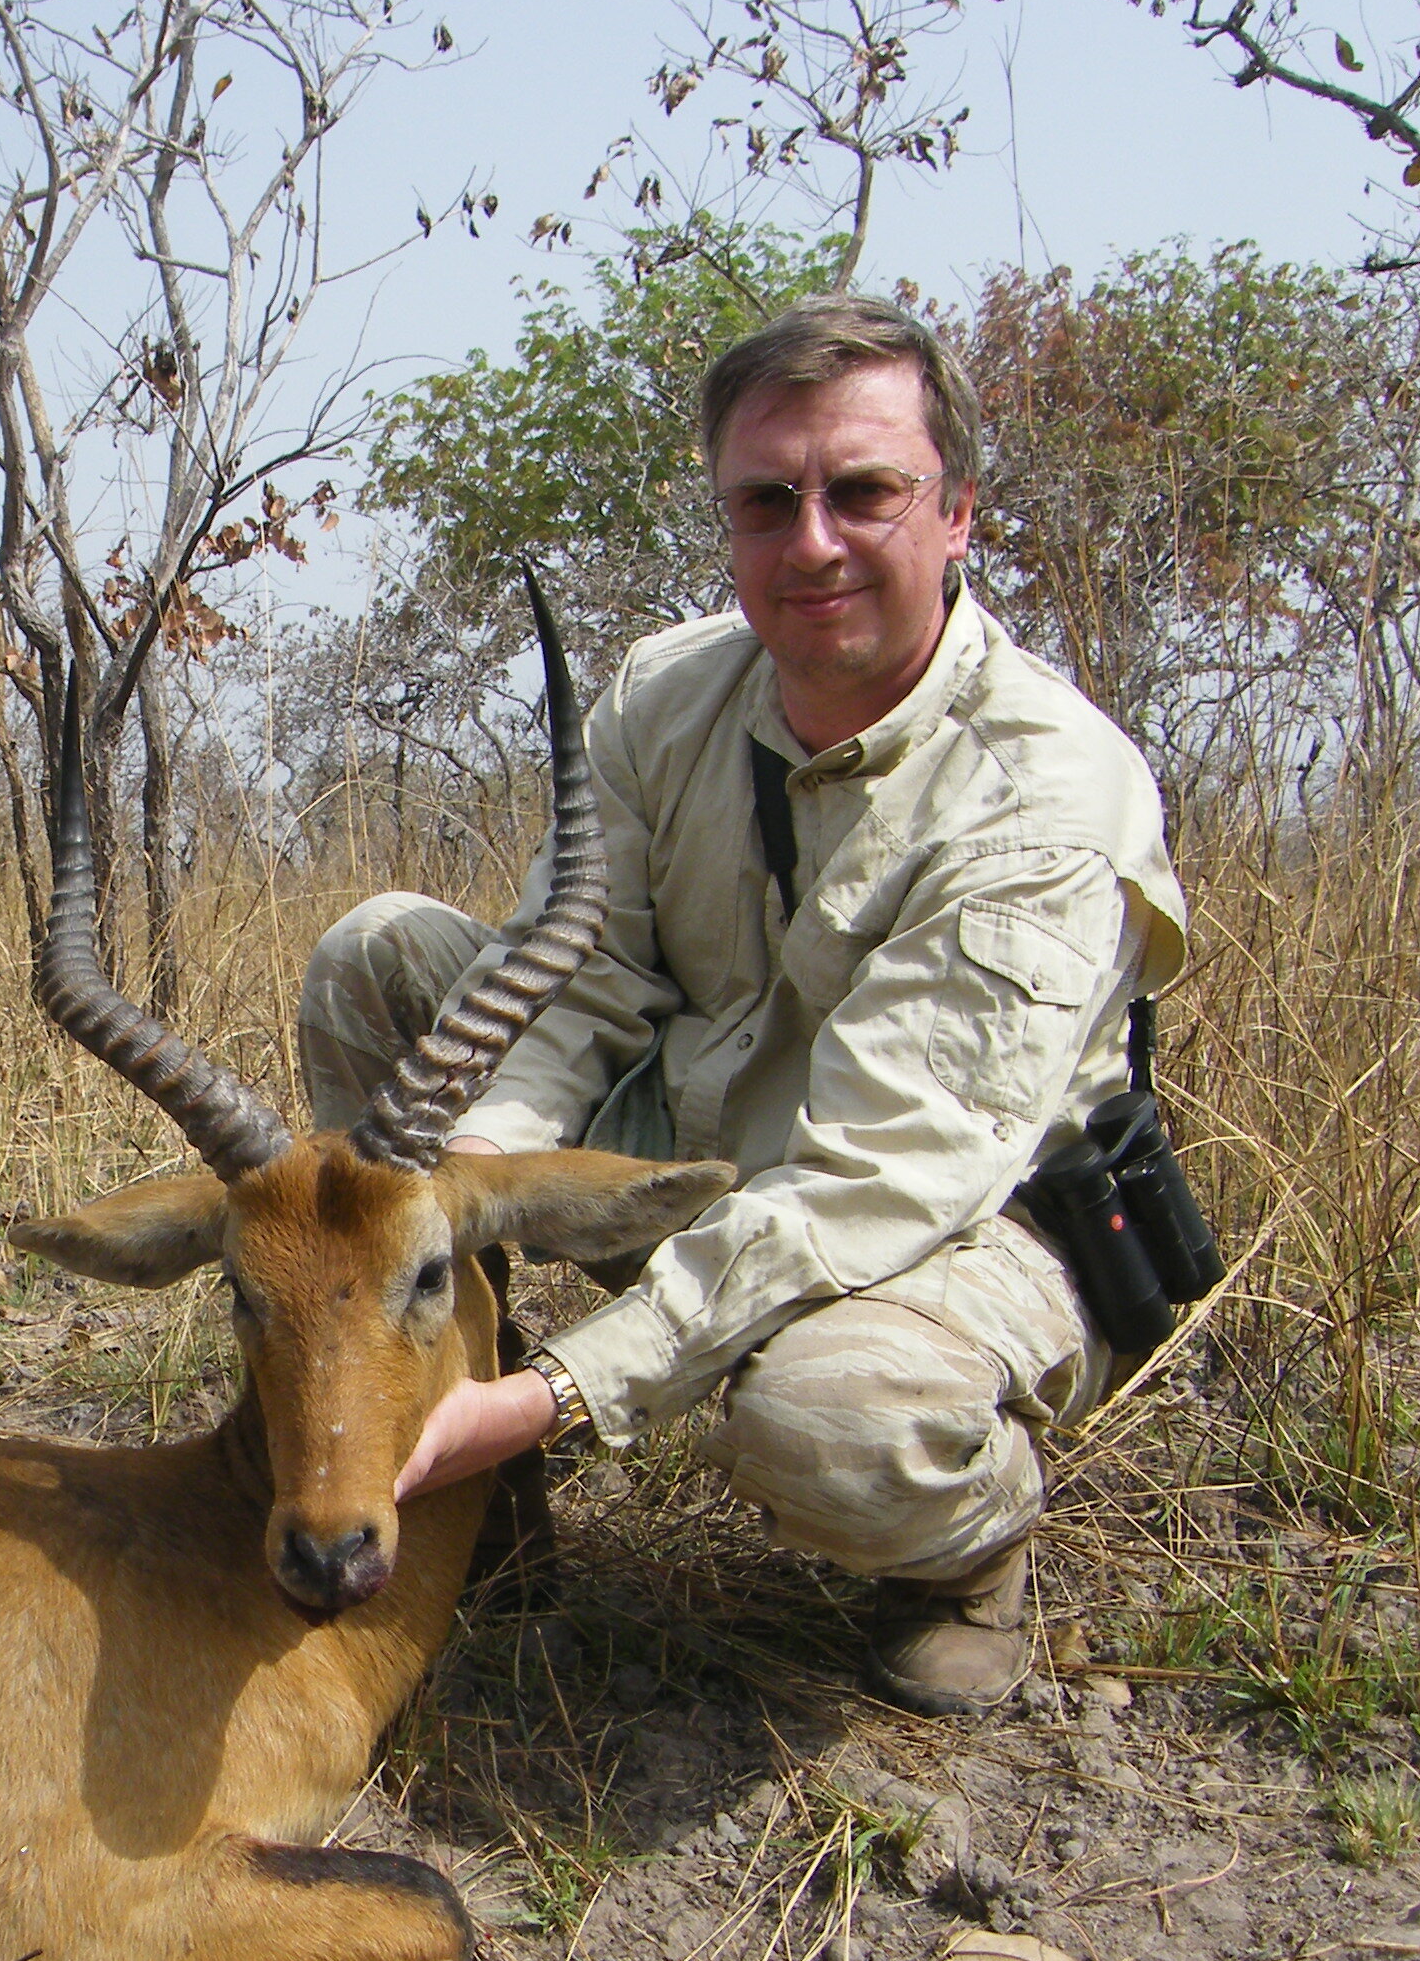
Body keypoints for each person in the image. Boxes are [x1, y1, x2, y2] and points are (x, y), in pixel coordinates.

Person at [299, 292, 1189, 1716]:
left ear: (956, 513)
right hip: (716, 1129)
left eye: (865, 492)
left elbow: (869, 1182)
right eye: (768, 501)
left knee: (832, 1422)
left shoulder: (1045, 792)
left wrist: (572, 1392)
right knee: (378, 959)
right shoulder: (671, 694)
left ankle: (968, 1548)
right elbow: (575, 984)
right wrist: (464, 1194)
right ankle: (475, 1477)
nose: (813, 541)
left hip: (952, 1218)